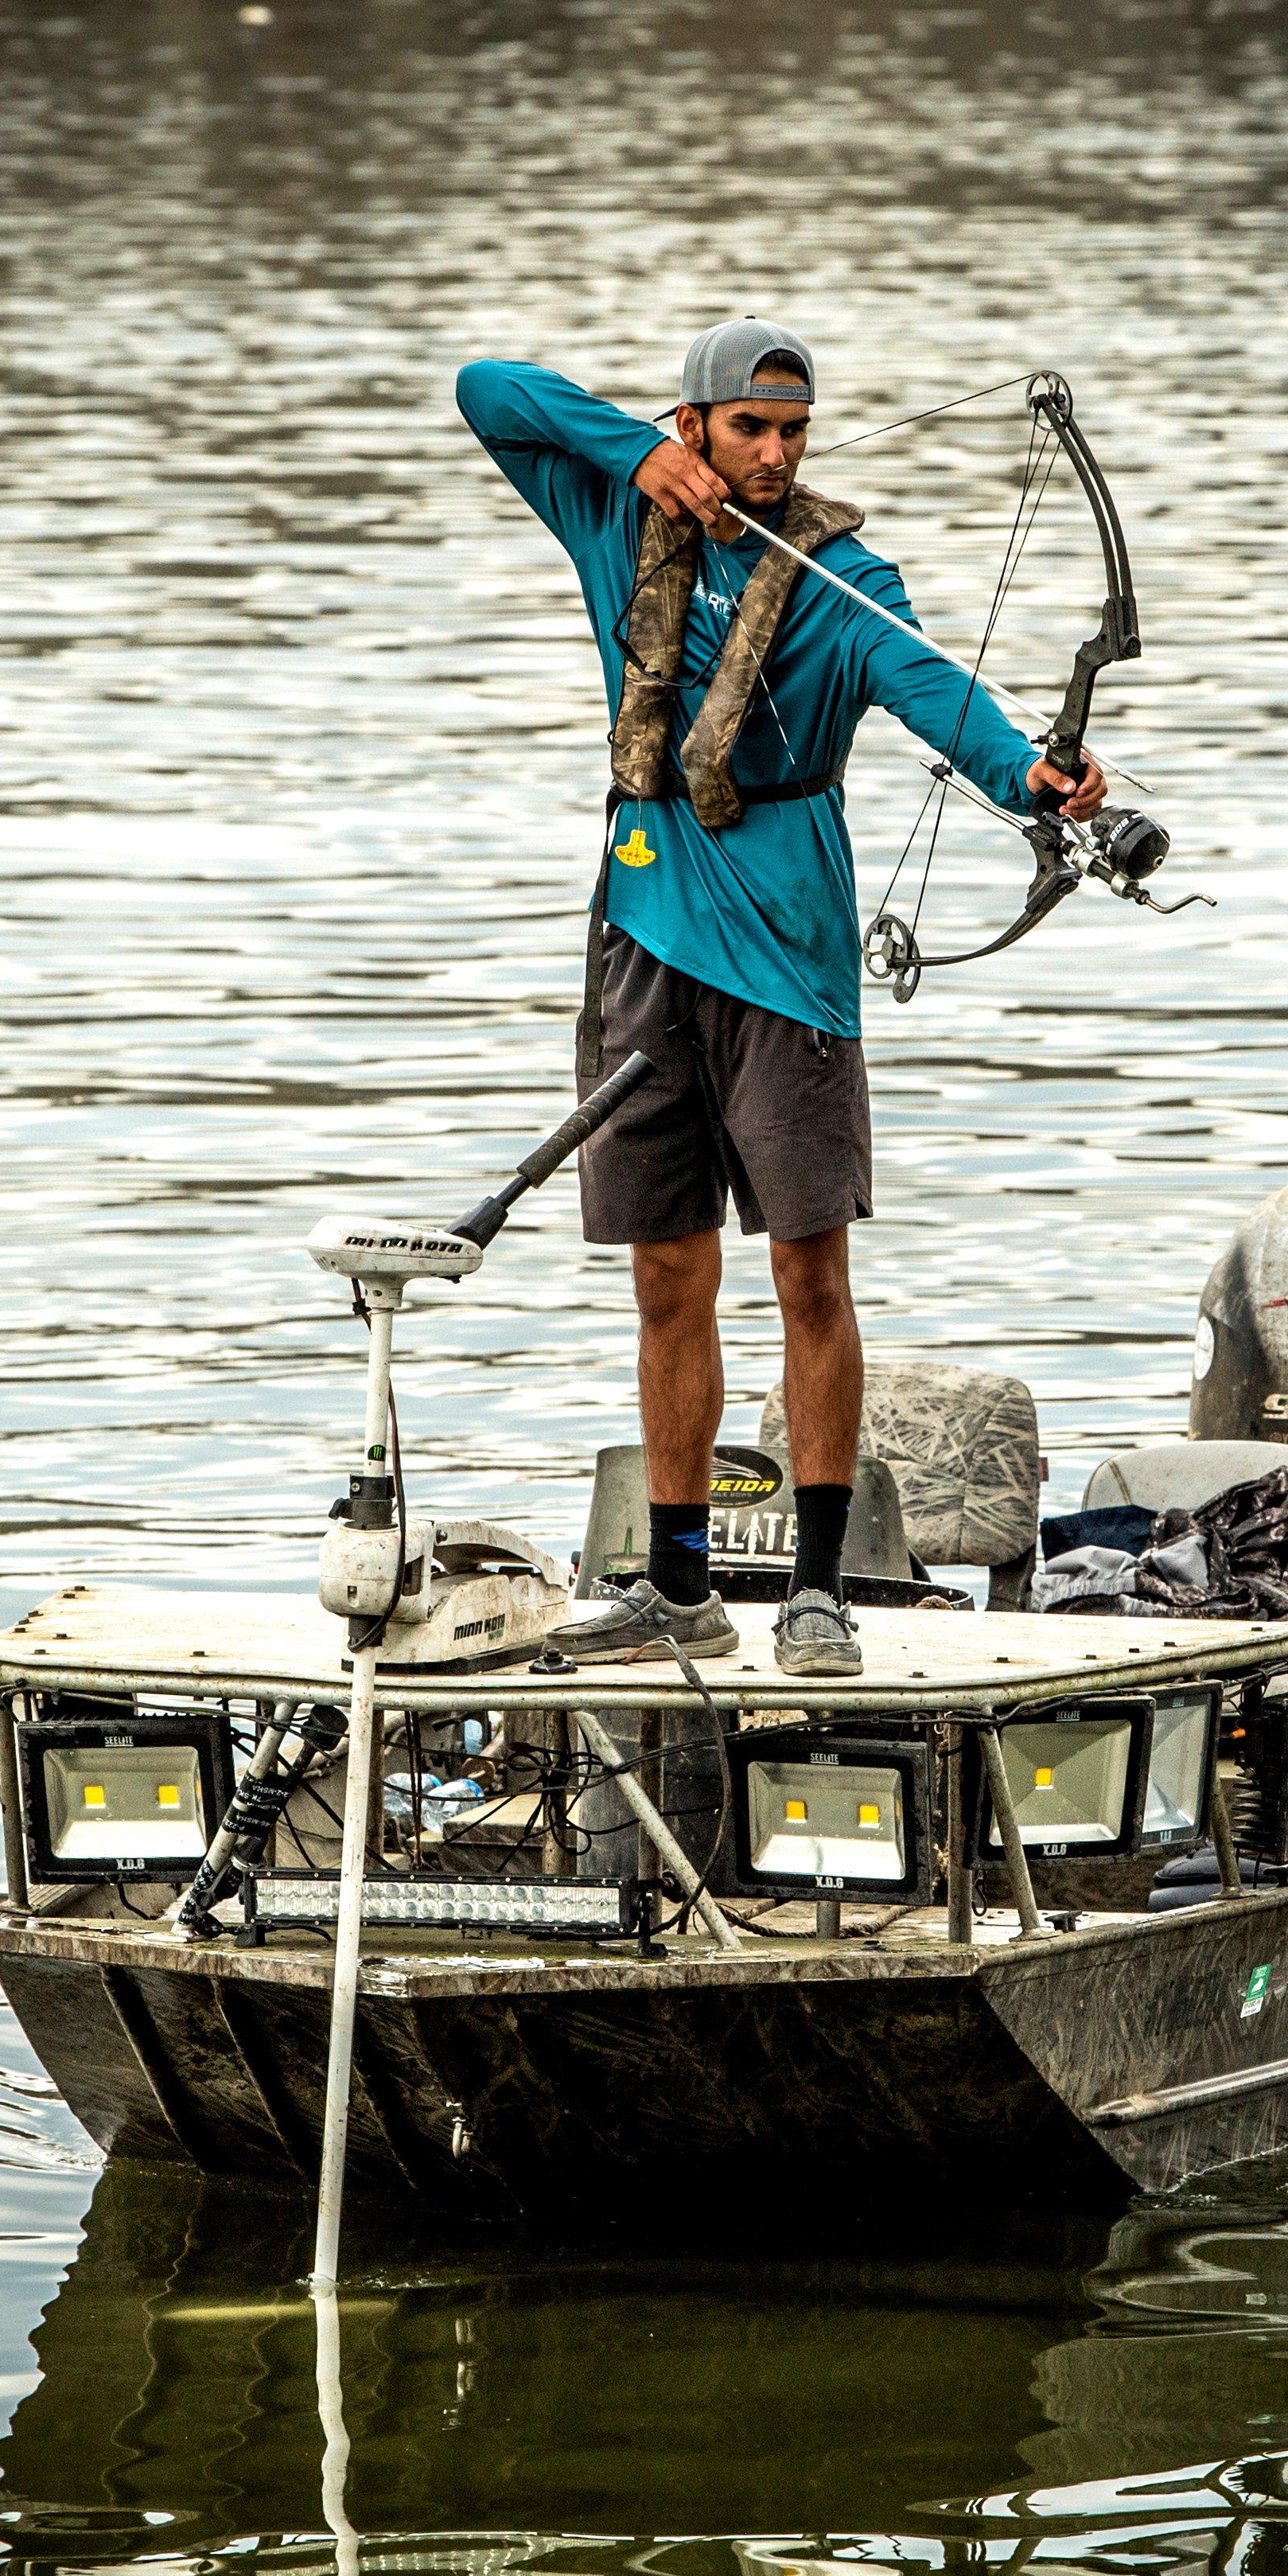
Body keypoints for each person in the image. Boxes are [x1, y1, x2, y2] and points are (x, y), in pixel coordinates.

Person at [457, 322, 1105, 1678]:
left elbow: (937, 692)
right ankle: (675, 1584)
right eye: (747, 427)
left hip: (791, 964)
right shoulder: (610, 510)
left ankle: (816, 1588)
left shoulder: (842, 578)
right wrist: (635, 456)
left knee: (810, 1272)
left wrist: (1027, 775)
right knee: (665, 1274)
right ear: (691, 424)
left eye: (793, 429)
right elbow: (489, 390)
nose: (773, 451)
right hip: (641, 938)